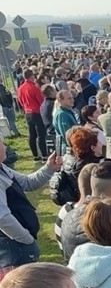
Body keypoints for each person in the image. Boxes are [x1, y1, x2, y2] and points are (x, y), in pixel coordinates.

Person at [0, 141, 57, 271]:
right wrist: (26, 239)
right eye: (1, 143)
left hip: (16, 244)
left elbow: (27, 183)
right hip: (12, 249)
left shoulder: (3, 168)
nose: (5, 146)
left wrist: (49, 168)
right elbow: (2, 218)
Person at [17, 71, 48, 160]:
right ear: (32, 76)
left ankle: (35, 155)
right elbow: (41, 102)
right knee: (41, 135)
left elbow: (20, 102)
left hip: (27, 113)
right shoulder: (34, 88)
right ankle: (44, 155)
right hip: (37, 113)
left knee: (32, 135)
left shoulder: (20, 88)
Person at [51, 89, 79, 155]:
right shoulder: (62, 114)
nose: (73, 100)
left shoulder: (68, 112)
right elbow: (66, 135)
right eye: (69, 98)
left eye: (72, 98)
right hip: (68, 149)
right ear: (60, 100)